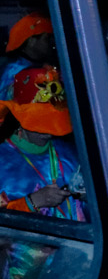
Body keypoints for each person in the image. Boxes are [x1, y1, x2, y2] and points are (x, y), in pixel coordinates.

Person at [0, 66, 85, 219]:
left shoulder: (71, 153)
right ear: (18, 117)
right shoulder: (2, 158)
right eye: (41, 123)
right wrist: (32, 202)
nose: (48, 132)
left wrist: (88, 196)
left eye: (53, 122)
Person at [0, 13, 56, 104]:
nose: (52, 43)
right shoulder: (14, 72)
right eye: (47, 38)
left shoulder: (43, 65)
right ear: (31, 41)